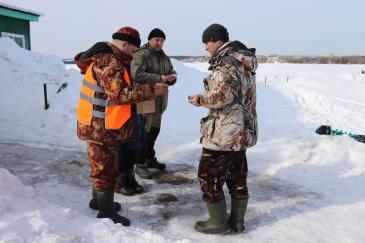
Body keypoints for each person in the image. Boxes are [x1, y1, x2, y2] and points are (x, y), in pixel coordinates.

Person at [75, 26, 168, 225]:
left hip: (98, 124)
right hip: (100, 127)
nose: (135, 54)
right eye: (134, 49)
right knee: (106, 170)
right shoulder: (110, 61)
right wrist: (152, 90)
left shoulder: (107, 58)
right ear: (124, 44)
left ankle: (98, 202)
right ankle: (106, 212)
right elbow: (120, 95)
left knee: (101, 166)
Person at [188, 23, 258, 234]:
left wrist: (200, 99)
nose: (205, 48)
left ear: (216, 40)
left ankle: (217, 223)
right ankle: (237, 222)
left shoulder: (227, 62)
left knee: (208, 176)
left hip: (225, 132)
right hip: (241, 130)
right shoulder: (243, 60)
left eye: (206, 42)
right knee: (237, 176)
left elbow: (224, 95)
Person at [131, 28, 177, 179]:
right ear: (150, 40)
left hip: (160, 101)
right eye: (157, 39)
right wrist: (161, 78)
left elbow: (171, 72)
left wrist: (172, 78)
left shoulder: (164, 57)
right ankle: (139, 164)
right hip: (145, 99)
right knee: (143, 132)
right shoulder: (142, 54)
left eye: (162, 40)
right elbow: (137, 75)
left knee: (154, 131)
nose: (159, 43)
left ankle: (149, 158)